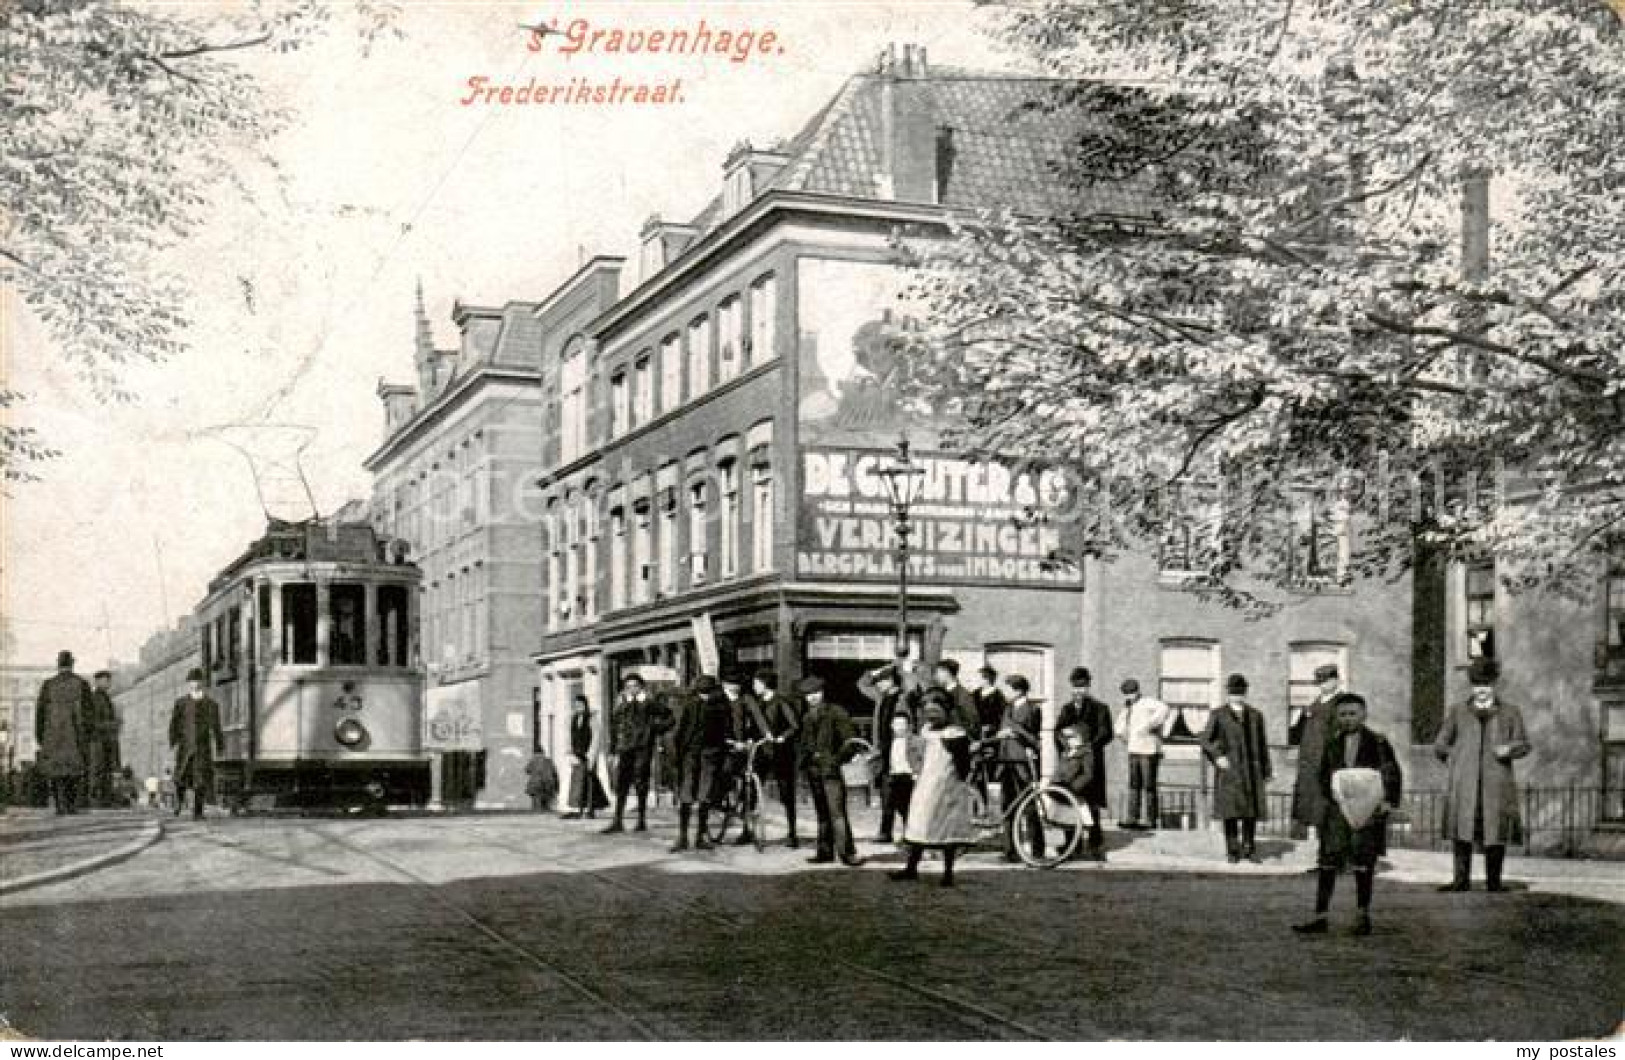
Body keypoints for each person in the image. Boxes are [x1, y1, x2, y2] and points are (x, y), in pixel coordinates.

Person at [1294, 694, 1403, 936]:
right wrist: (1332, 792)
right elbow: (1323, 773)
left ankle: (1362, 915)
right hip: (1338, 811)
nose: (1347, 719)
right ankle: (1320, 916)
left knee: (1363, 863)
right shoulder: (1332, 743)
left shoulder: (1378, 742)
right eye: (1342, 714)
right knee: (1327, 862)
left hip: (1368, 812)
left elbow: (1391, 772)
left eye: (1352, 714)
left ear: (1363, 715)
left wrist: (1387, 801)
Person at [1434, 657, 1530, 893]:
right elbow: (1440, 744)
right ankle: (1460, 880)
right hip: (1465, 783)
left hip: (1496, 782)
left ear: (1494, 685)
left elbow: (1524, 744)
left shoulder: (1510, 712)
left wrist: (1510, 749)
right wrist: (1455, 757)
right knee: (1462, 831)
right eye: (1477, 686)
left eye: (1486, 685)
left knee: (1494, 831)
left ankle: (1494, 882)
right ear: (1471, 686)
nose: (1482, 691)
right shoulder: (1458, 711)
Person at [891, 692, 975, 887]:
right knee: (919, 823)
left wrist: (958, 780)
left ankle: (947, 872)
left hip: (947, 784)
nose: (931, 716)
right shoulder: (926, 730)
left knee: (946, 828)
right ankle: (911, 867)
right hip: (926, 782)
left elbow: (963, 763)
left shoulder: (955, 734)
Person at [1200, 673, 1272, 863]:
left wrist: (1266, 770)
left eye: (1240, 692)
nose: (1237, 696)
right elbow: (1205, 740)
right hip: (1230, 769)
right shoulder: (1218, 714)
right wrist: (1218, 757)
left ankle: (1249, 848)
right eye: (1233, 693)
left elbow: (1262, 744)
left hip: (1251, 770)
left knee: (1251, 811)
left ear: (1245, 693)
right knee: (1230, 811)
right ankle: (1232, 850)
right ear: (1228, 694)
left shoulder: (1256, 716)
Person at [797, 675, 862, 866]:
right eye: (808, 695)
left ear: (822, 692)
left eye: (815, 693)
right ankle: (824, 852)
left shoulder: (836, 712)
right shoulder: (807, 716)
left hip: (832, 771)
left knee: (837, 813)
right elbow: (804, 744)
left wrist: (836, 761)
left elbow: (850, 742)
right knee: (822, 813)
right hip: (814, 771)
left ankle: (847, 853)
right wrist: (805, 764)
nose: (812, 698)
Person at [1053, 667, 1113, 860]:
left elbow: (1106, 733)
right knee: (1068, 802)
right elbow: (1057, 731)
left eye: (1083, 687)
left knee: (1091, 804)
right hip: (1071, 763)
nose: (1079, 691)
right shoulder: (1067, 709)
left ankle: (1096, 845)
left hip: (1091, 763)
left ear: (1088, 687)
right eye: (1076, 687)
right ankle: (1072, 845)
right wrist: (1066, 744)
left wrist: (1088, 745)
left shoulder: (1100, 708)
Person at [1291, 663, 1355, 842]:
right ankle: (1313, 841)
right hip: (1309, 764)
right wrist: (1300, 717)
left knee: (1328, 806)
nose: (1321, 686)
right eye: (1319, 683)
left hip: (1330, 764)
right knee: (1309, 806)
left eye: (1325, 682)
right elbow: (1296, 735)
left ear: (1335, 681)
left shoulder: (1344, 703)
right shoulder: (1313, 705)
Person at [670, 674, 735, 852]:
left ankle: (691, 837)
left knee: (696, 795)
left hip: (702, 754)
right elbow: (679, 731)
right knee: (694, 795)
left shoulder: (715, 706)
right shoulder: (714, 705)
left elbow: (679, 732)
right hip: (698, 754)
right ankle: (691, 837)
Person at [603, 673, 668, 834]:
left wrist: (654, 730)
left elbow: (669, 717)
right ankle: (617, 821)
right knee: (622, 783)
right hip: (625, 748)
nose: (631, 689)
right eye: (628, 686)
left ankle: (641, 820)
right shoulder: (622, 704)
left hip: (642, 749)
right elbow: (614, 726)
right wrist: (613, 748)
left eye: (635, 686)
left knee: (641, 782)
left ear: (641, 687)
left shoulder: (649, 703)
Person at [35, 650, 94, 816]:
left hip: (52, 736)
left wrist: (40, 736)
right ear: (72, 664)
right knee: (73, 772)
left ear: (58, 664)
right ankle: (70, 805)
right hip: (75, 735)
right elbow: (89, 714)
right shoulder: (82, 684)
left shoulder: (48, 685)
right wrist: (88, 735)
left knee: (55, 772)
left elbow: (39, 713)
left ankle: (60, 806)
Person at [995, 673, 1043, 862]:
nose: (1005, 692)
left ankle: (1037, 850)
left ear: (1018, 690)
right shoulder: (1007, 709)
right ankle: (1010, 850)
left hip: (1023, 763)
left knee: (1029, 807)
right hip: (1006, 762)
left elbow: (1034, 738)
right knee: (1007, 806)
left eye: (1007, 688)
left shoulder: (1033, 709)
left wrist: (1014, 731)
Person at [752, 670, 802, 848]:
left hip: (781, 753)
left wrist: (782, 737)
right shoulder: (757, 703)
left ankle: (792, 833)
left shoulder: (781, 702)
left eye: (756, 683)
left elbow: (795, 725)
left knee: (787, 793)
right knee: (751, 789)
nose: (754, 686)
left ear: (765, 684)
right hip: (761, 752)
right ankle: (748, 829)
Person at [722, 670, 771, 846]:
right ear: (725, 684)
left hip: (744, 744)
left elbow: (758, 716)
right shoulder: (718, 700)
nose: (736, 687)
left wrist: (767, 733)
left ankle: (746, 815)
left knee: (750, 775)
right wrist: (727, 741)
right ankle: (723, 798)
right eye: (732, 684)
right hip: (724, 744)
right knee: (725, 771)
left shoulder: (746, 699)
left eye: (738, 684)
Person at [858, 665, 906, 842]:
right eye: (877, 682)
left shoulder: (904, 697)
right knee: (887, 792)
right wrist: (878, 670)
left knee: (902, 793)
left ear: (891, 681)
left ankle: (911, 832)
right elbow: (862, 684)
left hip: (900, 750)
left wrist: (901, 667)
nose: (878, 685)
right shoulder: (881, 697)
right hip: (883, 750)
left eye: (881, 681)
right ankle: (886, 832)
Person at [1117, 678, 1173, 830]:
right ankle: (1132, 817)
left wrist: (1149, 725)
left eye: (1132, 693)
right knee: (1134, 784)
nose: (1129, 696)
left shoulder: (1148, 702)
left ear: (1137, 691)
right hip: (1133, 749)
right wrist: (1122, 734)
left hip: (1148, 749)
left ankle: (1150, 818)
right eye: (1127, 694)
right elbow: (1119, 726)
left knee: (1149, 784)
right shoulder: (1127, 708)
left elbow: (1165, 709)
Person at [169, 668, 224, 821]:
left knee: (201, 781)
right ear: (189, 684)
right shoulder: (180, 703)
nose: (195, 684)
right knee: (180, 777)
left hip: (202, 748)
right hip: (185, 747)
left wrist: (219, 744)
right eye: (192, 681)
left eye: (198, 681)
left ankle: (198, 813)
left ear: (203, 683)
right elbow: (174, 723)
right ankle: (178, 802)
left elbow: (216, 726)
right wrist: (173, 740)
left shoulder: (211, 704)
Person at [879, 705, 924, 843]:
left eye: (901, 724)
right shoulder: (888, 742)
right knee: (888, 805)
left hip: (908, 776)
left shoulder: (916, 740)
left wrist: (917, 772)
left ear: (908, 725)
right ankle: (886, 833)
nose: (898, 727)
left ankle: (910, 835)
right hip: (892, 775)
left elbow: (923, 758)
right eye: (895, 724)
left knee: (906, 807)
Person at [564, 696, 608, 818]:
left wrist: (591, 755)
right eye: (576, 705)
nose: (578, 707)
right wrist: (569, 752)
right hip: (576, 755)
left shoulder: (592, 719)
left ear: (585, 705)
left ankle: (590, 809)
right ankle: (578, 808)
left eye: (581, 705)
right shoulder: (572, 719)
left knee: (589, 781)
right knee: (577, 781)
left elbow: (595, 737)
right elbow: (569, 736)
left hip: (588, 754)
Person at [86, 670, 121, 807]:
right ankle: (97, 798)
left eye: (109, 680)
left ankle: (105, 798)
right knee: (98, 769)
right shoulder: (95, 698)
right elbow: (93, 722)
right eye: (106, 680)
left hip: (106, 740)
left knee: (106, 768)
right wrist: (112, 724)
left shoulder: (105, 698)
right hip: (98, 740)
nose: (109, 683)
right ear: (98, 681)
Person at [933, 659, 980, 738]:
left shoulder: (963, 695)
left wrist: (956, 730)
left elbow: (973, 722)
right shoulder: (938, 693)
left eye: (938, 672)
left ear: (947, 673)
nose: (936, 676)